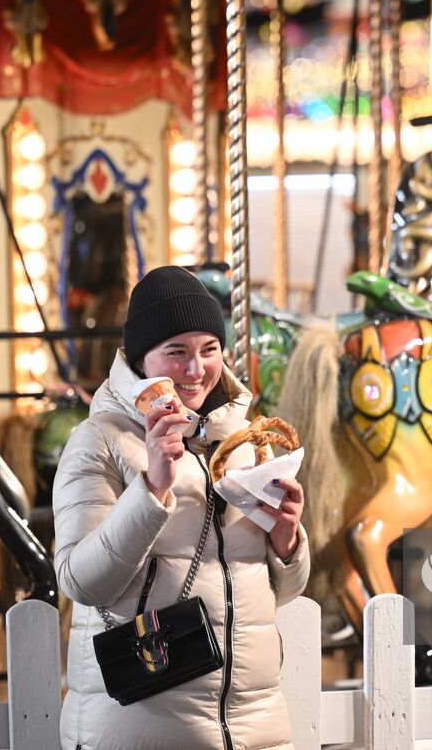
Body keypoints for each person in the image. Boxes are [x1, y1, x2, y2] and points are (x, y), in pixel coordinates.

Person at [54, 265, 309, 750]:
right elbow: (80, 582)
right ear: (141, 359)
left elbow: (284, 593)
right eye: (177, 353)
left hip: (256, 727)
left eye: (209, 350)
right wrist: (151, 489)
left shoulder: (245, 443)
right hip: (143, 725)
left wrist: (288, 541)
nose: (196, 370)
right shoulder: (98, 442)